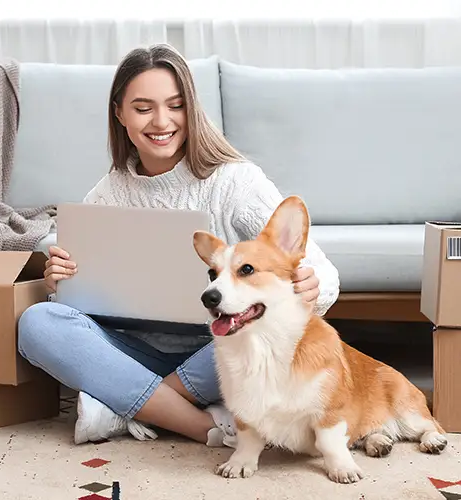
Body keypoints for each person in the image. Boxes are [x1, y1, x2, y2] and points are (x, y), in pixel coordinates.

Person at [17, 43, 341, 447]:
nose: (161, 121)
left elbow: (322, 272)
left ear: (192, 109)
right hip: (136, 351)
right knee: (37, 323)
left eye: (175, 106)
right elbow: (83, 305)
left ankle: (124, 407)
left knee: (267, 332)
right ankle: (199, 424)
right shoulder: (106, 194)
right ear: (119, 114)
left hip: (221, 349)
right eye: (143, 108)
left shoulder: (236, 182)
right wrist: (62, 283)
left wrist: (311, 286)